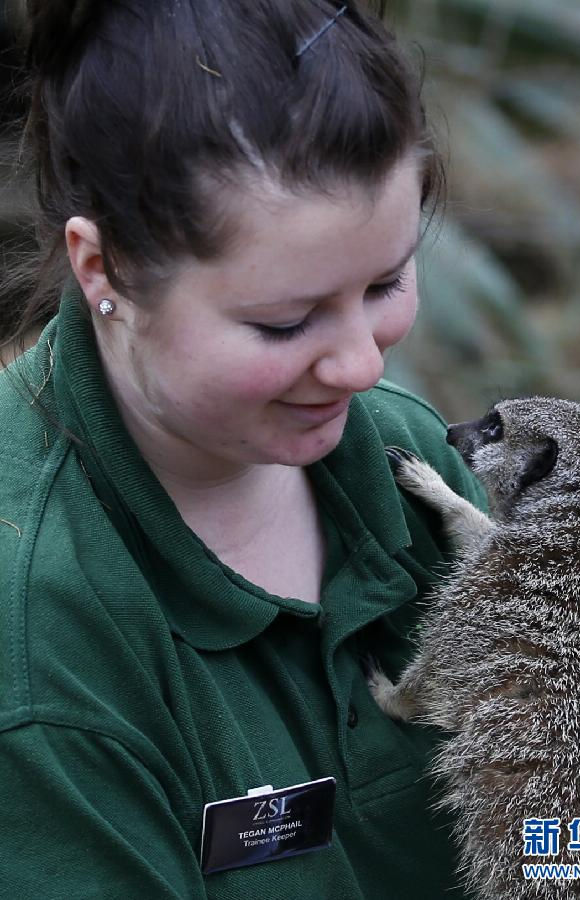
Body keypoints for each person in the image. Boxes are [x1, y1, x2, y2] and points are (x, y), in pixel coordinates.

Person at [0, 2, 485, 897]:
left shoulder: (409, 459)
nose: (361, 363)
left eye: (385, 282)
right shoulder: (39, 649)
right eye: (285, 322)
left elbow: (575, 795)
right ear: (102, 269)